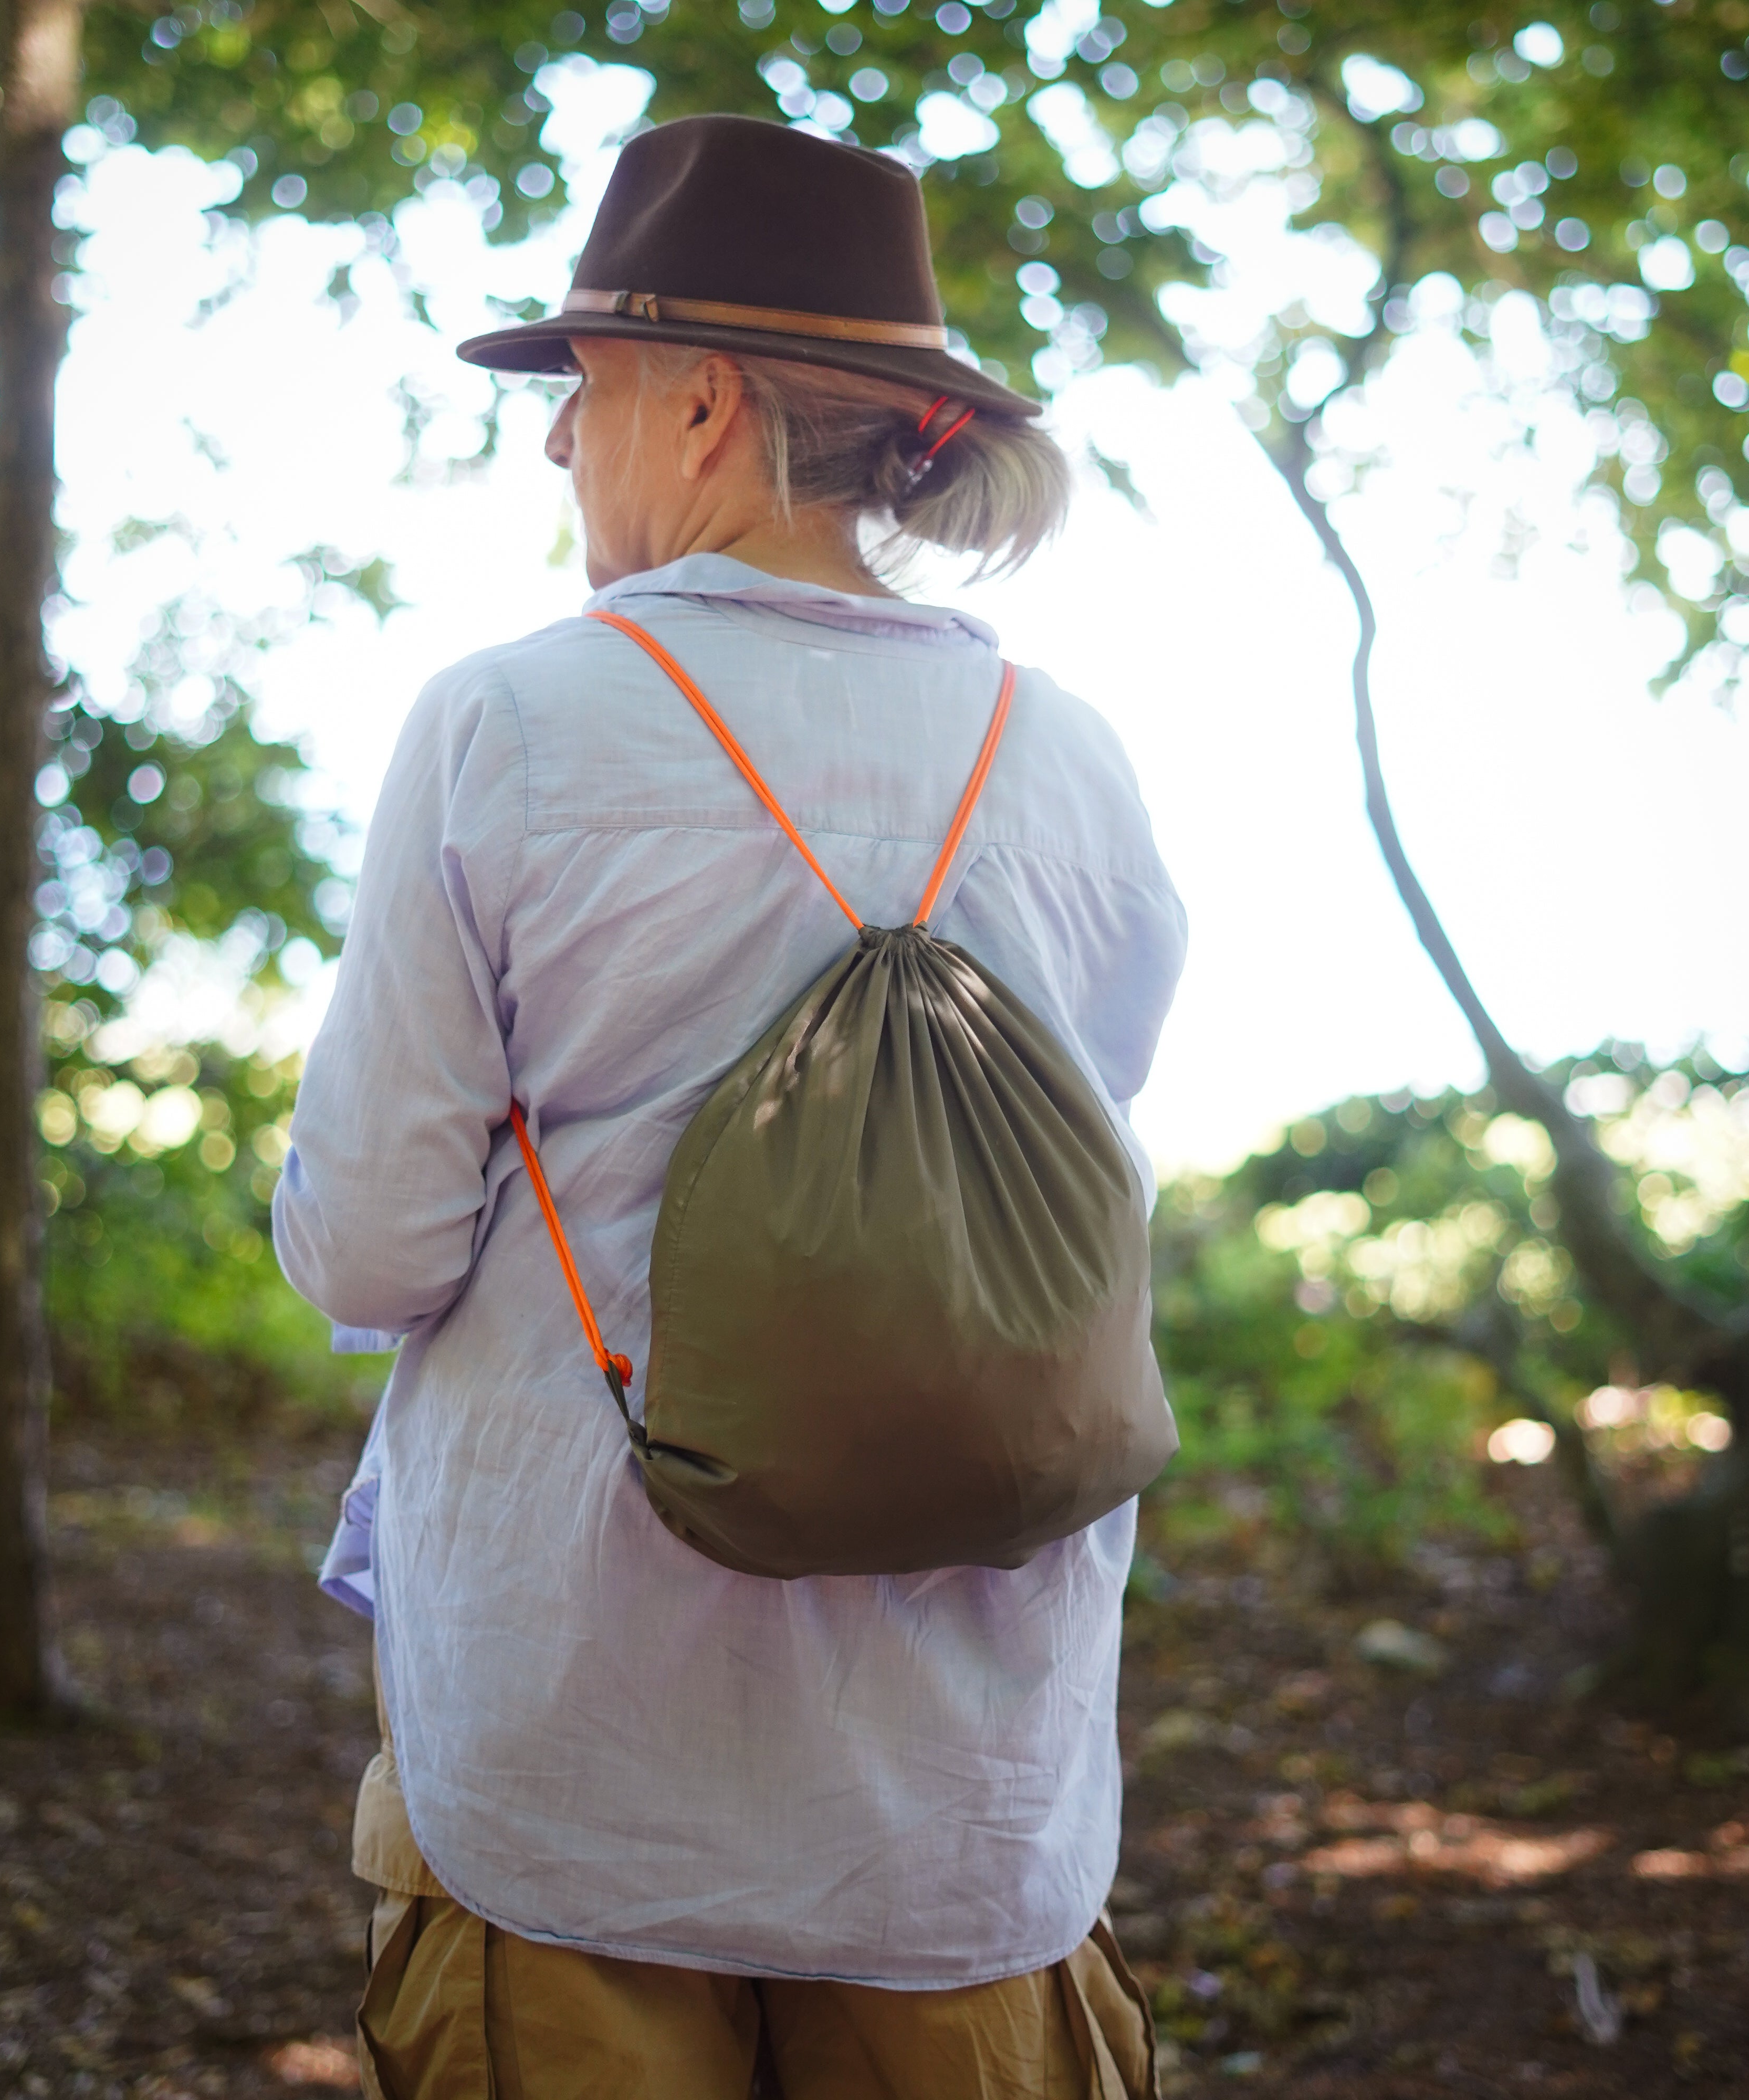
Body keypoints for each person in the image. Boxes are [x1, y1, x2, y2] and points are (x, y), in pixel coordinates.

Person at [276, 114, 1187, 2098]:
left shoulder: (509, 720)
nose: (548, 446)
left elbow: (369, 1240)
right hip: (961, 1791)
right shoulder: (1070, 758)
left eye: (578, 392)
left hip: (586, 1752)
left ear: (696, 406)